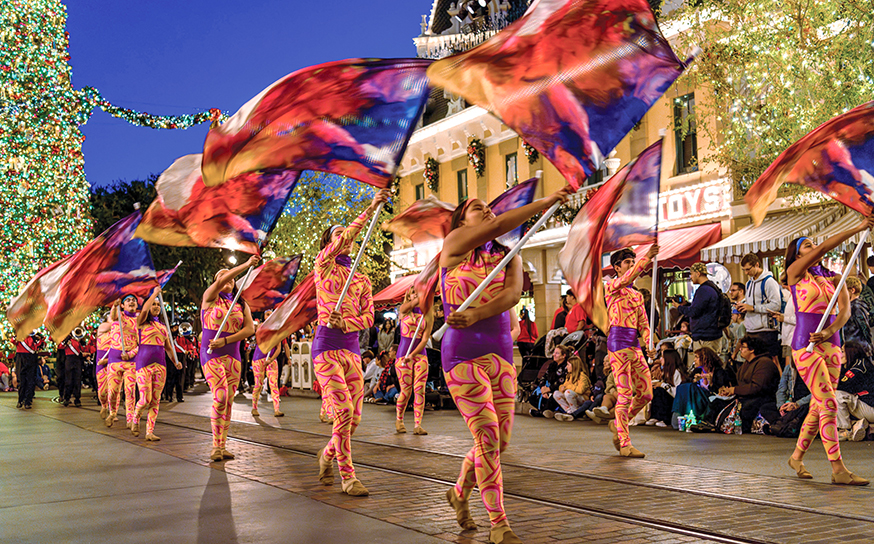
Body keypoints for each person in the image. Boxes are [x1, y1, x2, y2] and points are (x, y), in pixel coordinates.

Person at [441, 186, 571, 544]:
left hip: (500, 353)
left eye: (489, 209)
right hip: (462, 354)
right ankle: (499, 523)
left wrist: (477, 313)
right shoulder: (453, 245)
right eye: (477, 208)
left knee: (499, 441)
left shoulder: (508, 254)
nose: (485, 212)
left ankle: (459, 491)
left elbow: (512, 294)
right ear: (461, 220)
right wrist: (545, 202)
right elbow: (490, 230)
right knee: (485, 435)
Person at [784, 219, 873, 485]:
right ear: (798, 254)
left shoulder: (836, 278)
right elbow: (822, 248)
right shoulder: (795, 273)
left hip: (831, 343)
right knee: (830, 403)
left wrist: (829, 330)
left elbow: (845, 311)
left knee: (818, 404)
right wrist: (859, 227)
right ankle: (838, 469)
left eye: (812, 244)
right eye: (806, 246)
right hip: (805, 345)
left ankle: (797, 457)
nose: (812, 248)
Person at [314, 190, 386, 497]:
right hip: (326, 350)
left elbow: (369, 317)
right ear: (329, 242)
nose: (345, 236)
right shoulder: (323, 265)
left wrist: (348, 322)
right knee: (342, 413)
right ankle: (348, 477)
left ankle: (327, 454)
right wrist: (369, 209)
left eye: (347, 233)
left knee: (353, 420)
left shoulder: (363, 280)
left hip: (352, 351)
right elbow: (340, 242)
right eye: (338, 233)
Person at [201, 256, 259, 462]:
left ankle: (222, 445)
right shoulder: (209, 298)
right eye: (222, 277)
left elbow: (249, 329)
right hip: (211, 356)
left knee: (229, 402)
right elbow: (220, 282)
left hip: (232, 355)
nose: (228, 280)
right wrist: (245, 265)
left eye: (232, 278)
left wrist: (226, 342)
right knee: (221, 396)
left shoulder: (241, 304)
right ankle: (215, 446)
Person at [607, 244, 658, 459]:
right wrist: (646, 258)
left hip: (634, 345)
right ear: (617, 267)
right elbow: (627, 279)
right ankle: (625, 443)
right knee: (625, 394)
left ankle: (620, 422)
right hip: (618, 345)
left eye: (632, 261)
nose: (631, 265)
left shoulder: (637, 295)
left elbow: (644, 324)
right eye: (627, 262)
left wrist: (649, 343)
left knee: (646, 393)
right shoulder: (612, 286)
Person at [132, 287, 179, 440]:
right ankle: (136, 417)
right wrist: (154, 295)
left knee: (155, 400)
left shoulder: (163, 327)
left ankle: (149, 432)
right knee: (145, 399)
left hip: (161, 365)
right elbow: (144, 309)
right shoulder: (141, 323)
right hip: (143, 364)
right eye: (154, 304)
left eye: (159, 305)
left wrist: (175, 361)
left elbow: (168, 347)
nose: (156, 307)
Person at [395, 288, 434, 435]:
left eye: (418, 291)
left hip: (420, 355)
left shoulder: (427, 313)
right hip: (402, 355)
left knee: (420, 390)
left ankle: (418, 424)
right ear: (408, 295)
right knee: (406, 391)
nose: (416, 293)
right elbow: (409, 305)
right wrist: (424, 295)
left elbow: (425, 339)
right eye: (412, 291)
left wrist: (413, 353)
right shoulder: (404, 310)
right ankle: (399, 419)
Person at [672, 262, 723, 354]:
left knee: (706, 365)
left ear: (697, 273)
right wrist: (686, 304)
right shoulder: (712, 287)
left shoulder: (703, 290)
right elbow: (702, 308)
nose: (690, 277)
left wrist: (679, 307)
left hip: (706, 336)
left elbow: (694, 311)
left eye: (691, 274)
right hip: (711, 333)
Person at [738, 253, 782, 360]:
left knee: (768, 363)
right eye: (744, 270)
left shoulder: (769, 282)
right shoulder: (749, 283)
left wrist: (753, 308)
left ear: (757, 265)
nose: (746, 273)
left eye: (748, 269)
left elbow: (776, 305)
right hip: (751, 330)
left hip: (765, 331)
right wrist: (743, 308)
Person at [106, 295, 140, 428]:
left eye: (134, 301)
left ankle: (130, 419)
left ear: (137, 305)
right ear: (122, 305)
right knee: (113, 391)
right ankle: (112, 413)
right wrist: (114, 305)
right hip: (114, 360)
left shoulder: (140, 321)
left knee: (130, 391)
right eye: (128, 300)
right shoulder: (117, 316)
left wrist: (131, 353)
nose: (131, 302)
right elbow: (113, 314)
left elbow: (142, 343)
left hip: (131, 361)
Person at [836, 340, 874, 442]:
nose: (840, 354)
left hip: (871, 408)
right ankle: (859, 425)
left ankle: (846, 430)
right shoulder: (858, 363)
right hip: (868, 407)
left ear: (851, 352)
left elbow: (840, 386)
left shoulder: (859, 368)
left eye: (842, 351)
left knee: (837, 395)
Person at [250, 310, 285, 418]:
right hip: (258, 359)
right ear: (264, 316)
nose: (269, 316)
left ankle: (277, 409)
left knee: (274, 384)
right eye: (267, 314)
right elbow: (259, 335)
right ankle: (254, 407)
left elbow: (279, 348)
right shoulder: (261, 327)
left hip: (271, 360)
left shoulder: (277, 331)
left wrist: (271, 359)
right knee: (258, 384)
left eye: (271, 314)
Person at [527, 345, 572, 418]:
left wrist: (549, 389)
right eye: (554, 352)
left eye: (557, 353)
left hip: (557, 390)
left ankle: (542, 412)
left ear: (563, 355)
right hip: (547, 389)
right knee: (532, 398)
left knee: (553, 397)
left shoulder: (566, 367)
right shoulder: (552, 365)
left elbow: (561, 382)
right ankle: (548, 410)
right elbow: (544, 377)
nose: (554, 355)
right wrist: (543, 389)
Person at [647, 349, 687, 427]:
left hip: (674, 401)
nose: (660, 359)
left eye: (663, 357)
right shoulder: (666, 371)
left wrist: (662, 385)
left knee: (660, 391)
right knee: (655, 389)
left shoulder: (676, 372)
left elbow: (677, 393)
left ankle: (665, 419)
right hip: (669, 396)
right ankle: (655, 416)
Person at [552, 355, 592, 421]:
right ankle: (569, 411)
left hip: (583, 398)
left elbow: (581, 390)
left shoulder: (582, 376)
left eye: (568, 365)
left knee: (568, 392)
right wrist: (561, 388)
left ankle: (575, 411)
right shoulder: (569, 376)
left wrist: (567, 387)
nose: (566, 367)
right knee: (556, 393)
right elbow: (563, 386)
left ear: (574, 366)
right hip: (573, 396)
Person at [15, 332, 44, 409]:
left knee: (31, 381)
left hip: (31, 358)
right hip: (21, 357)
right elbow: (13, 340)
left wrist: (39, 339)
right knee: (22, 381)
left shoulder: (35, 337)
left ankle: (28, 401)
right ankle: (20, 400)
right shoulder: (20, 336)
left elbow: (42, 345)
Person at [843, 277, 872, 345]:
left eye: (845, 290)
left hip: (857, 347)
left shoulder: (855, 307)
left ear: (852, 290)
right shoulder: (860, 305)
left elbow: (864, 328)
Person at [94, 320, 112, 419]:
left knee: (114, 390)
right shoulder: (102, 329)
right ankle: (104, 406)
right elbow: (108, 325)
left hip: (114, 362)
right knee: (102, 392)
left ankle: (113, 412)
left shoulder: (120, 333)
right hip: (101, 364)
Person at [62, 332, 85, 407]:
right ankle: (67, 398)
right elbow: (60, 346)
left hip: (77, 359)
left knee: (77, 380)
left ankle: (77, 398)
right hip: (69, 359)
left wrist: (81, 341)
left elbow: (83, 349)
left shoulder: (78, 340)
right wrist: (66, 339)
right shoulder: (67, 340)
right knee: (68, 380)